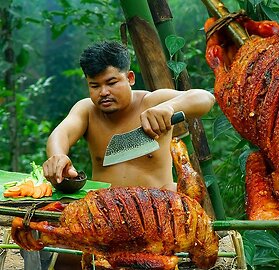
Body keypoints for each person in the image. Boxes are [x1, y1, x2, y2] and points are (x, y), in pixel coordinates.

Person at [24, 41, 215, 270]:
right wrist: (57, 155)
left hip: (158, 219)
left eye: (111, 82)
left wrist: (170, 108)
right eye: (94, 85)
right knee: (56, 252)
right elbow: (62, 132)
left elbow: (205, 98)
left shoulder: (153, 101)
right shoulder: (86, 110)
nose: (103, 92)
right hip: (104, 221)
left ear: (130, 78)